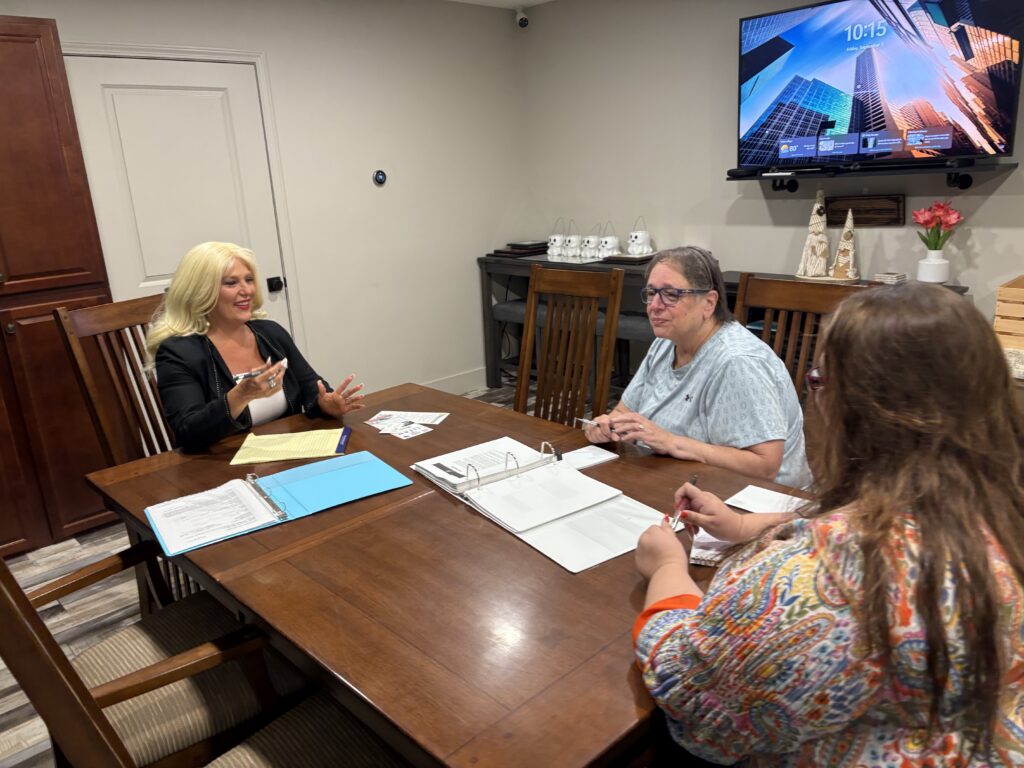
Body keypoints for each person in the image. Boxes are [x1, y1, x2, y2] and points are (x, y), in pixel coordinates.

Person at [633, 282, 1024, 766]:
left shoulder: (825, 581)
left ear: (855, 409)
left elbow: (687, 688)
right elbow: (888, 515)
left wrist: (668, 569)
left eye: (816, 380)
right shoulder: (994, 512)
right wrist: (743, 525)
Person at [585, 246, 809, 487]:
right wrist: (607, 427)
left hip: (754, 501)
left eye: (671, 294)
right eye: (651, 293)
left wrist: (671, 442)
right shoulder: (664, 343)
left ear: (709, 303)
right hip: (679, 478)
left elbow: (765, 466)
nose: (655, 305)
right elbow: (623, 413)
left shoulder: (738, 362)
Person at [145, 242, 365, 452]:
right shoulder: (179, 352)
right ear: (201, 291)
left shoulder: (270, 333)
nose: (247, 290)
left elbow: (311, 387)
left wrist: (324, 403)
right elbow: (188, 432)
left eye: (249, 280)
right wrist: (239, 397)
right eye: (231, 283)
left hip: (286, 455)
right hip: (220, 468)